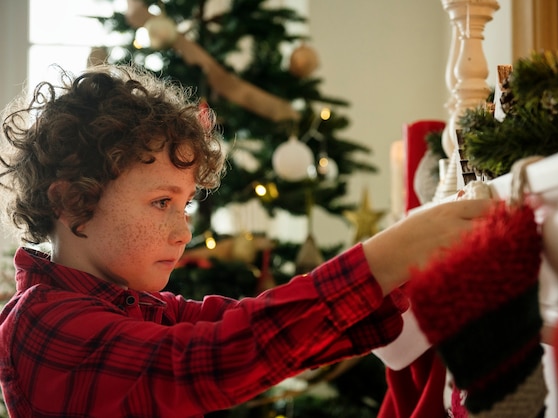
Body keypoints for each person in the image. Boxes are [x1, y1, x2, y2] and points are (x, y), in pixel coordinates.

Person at [0, 64, 492, 417]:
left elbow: (254, 323)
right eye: (161, 202)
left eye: (186, 204)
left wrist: (398, 284)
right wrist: (387, 255)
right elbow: (214, 356)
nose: (183, 230)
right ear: (70, 204)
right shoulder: (41, 323)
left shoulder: (140, 305)